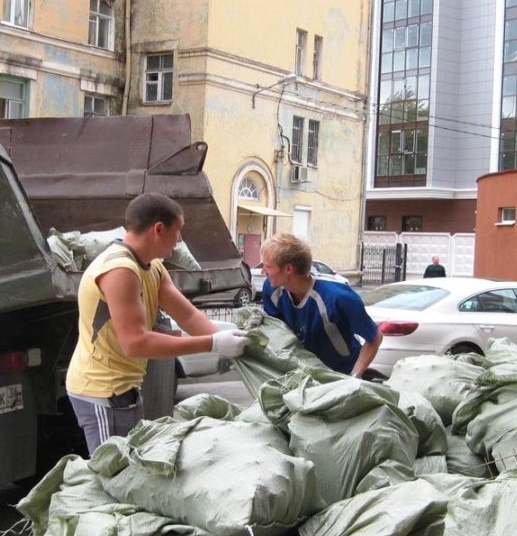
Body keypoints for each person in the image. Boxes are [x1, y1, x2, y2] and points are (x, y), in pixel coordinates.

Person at [66, 192, 249, 454]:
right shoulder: (120, 271)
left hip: (124, 389)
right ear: (159, 229)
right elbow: (136, 343)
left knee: (130, 471)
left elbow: (188, 315)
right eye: (178, 231)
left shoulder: (152, 267)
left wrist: (233, 345)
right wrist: (212, 343)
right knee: (114, 477)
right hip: (102, 392)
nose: (179, 240)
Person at [260, 233, 382, 377]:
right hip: (303, 373)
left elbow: (375, 338)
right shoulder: (271, 289)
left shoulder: (338, 297)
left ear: (288, 269)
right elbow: (278, 335)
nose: (263, 272)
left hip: (342, 373)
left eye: (268, 267)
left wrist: (354, 376)